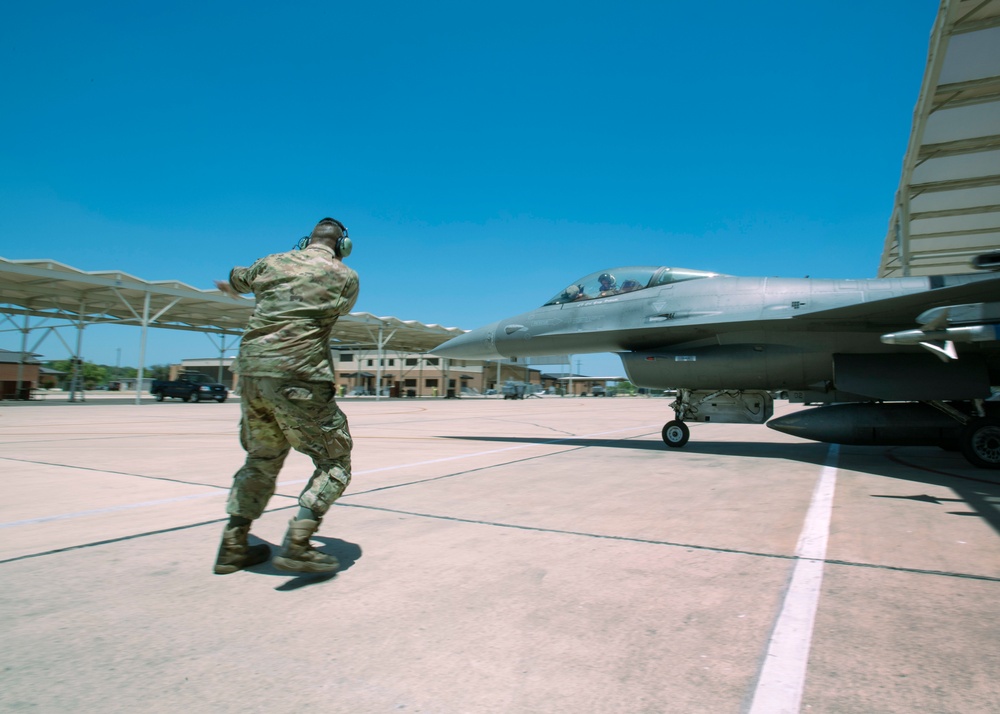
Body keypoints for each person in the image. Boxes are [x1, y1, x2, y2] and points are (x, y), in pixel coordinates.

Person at [212, 217, 360, 575]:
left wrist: (233, 285)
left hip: (250, 373)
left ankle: (234, 542)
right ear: (342, 246)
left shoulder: (271, 262)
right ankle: (298, 543)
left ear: (304, 241)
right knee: (334, 461)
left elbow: (237, 277)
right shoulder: (345, 277)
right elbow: (336, 309)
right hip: (300, 375)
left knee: (262, 457)